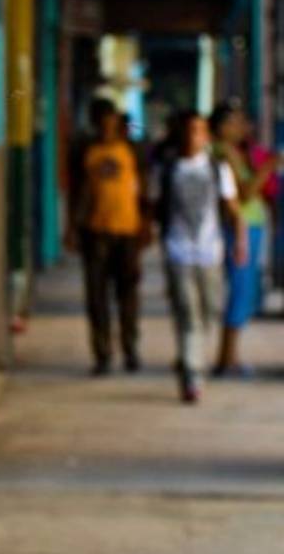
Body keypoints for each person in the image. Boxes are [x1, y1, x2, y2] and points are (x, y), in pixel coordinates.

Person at [153, 110, 244, 403]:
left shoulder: (218, 169)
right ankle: (193, 373)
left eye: (199, 130)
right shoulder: (167, 170)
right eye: (189, 130)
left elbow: (232, 209)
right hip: (178, 251)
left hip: (210, 253)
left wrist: (240, 241)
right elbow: (154, 207)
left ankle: (190, 357)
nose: (194, 136)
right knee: (187, 314)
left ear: (206, 136)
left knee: (208, 313)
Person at [65, 97, 150, 375]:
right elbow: (76, 193)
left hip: (127, 231)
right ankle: (102, 353)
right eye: (100, 123)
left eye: (110, 122)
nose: (106, 127)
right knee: (97, 297)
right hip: (95, 232)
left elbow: (144, 191)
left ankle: (130, 348)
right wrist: (72, 228)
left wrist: (146, 226)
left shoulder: (132, 151)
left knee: (127, 295)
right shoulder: (85, 152)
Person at [210, 100, 276, 376]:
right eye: (235, 122)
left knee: (245, 291)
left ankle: (230, 356)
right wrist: (271, 165)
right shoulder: (223, 152)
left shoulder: (236, 151)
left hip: (251, 227)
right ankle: (227, 358)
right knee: (240, 290)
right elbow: (246, 192)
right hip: (241, 229)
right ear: (223, 127)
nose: (242, 128)